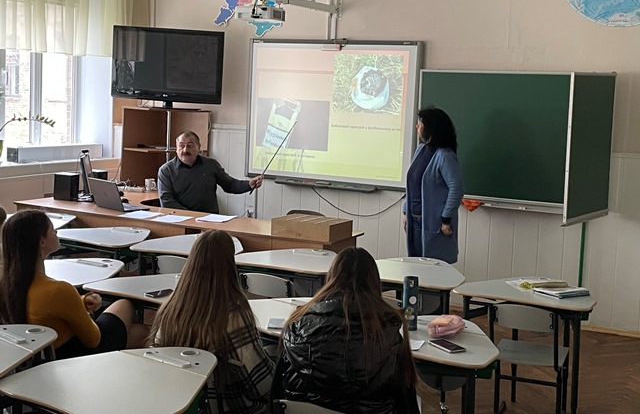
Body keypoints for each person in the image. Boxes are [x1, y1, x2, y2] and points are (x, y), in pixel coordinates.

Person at [275, 247, 419, 414]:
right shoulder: (390, 334)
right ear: (375, 283)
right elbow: (405, 401)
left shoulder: (296, 326)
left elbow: (279, 392)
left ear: (331, 278)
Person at [149, 230, 274, 414]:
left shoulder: (170, 310)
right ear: (230, 265)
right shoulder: (233, 315)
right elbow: (260, 383)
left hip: (181, 405)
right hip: (228, 407)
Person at [0, 209, 148, 359]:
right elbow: (94, 339)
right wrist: (84, 310)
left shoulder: (8, 285)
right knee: (125, 305)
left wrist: (81, 301)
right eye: (52, 229)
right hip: (74, 357)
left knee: (139, 332)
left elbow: (50, 308)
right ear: (41, 241)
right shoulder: (58, 289)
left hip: (43, 356)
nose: (56, 232)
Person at [403, 107, 463, 263]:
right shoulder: (421, 149)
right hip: (414, 221)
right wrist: (405, 211)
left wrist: (446, 218)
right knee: (416, 265)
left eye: (420, 123)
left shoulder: (445, 156)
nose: (417, 126)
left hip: (435, 223)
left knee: (433, 267)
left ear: (430, 128)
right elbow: (412, 183)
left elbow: (456, 189)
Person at [158, 131, 263, 214]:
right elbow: (167, 201)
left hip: (209, 219)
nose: (185, 150)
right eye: (181, 146)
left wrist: (249, 185)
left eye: (190, 146)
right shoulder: (166, 170)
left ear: (198, 147)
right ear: (176, 148)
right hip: (181, 220)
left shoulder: (211, 164)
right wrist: (192, 216)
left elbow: (229, 184)